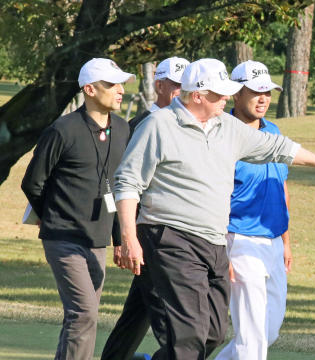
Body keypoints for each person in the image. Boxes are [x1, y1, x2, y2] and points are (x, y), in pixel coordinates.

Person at [113, 58, 315, 359]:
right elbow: (128, 183)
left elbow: (278, 147)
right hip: (169, 237)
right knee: (189, 335)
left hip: (213, 242)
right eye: (219, 93)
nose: (226, 98)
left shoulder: (227, 127)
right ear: (197, 95)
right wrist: (128, 237)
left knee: (213, 334)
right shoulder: (158, 126)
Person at [21, 58, 134, 359]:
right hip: (64, 240)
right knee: (84, 315)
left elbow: (118, 189)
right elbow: (32, 183)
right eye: (112, 84)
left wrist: (120, 239)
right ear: (90, 89)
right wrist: (56, 218)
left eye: (121, 83)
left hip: (97, 241)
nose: (120, 90)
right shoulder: (62, 129)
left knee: (81, 317)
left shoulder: (122, 130)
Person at [101, 56, 189, 360]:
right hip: (148, 236)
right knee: (168, 319)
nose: (181, 90)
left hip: (174, 236)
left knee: (137, 313)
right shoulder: (135, 126)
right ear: (159, 85)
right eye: (175, 84)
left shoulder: (187, 126)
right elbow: (118, 185)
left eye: (185, 84)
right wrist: (121, 238)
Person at [214, 60, 289, 360]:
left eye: (268, 92)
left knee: (268, 331)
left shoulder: (273, 130)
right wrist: (222, 250)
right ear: (236, 94)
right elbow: (214, 196)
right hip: (240, 239)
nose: (263, 98)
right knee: (251, 335)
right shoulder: (222, 133)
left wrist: (286, 241)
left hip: (273, 240)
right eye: (255, 91)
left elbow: (281, 188)